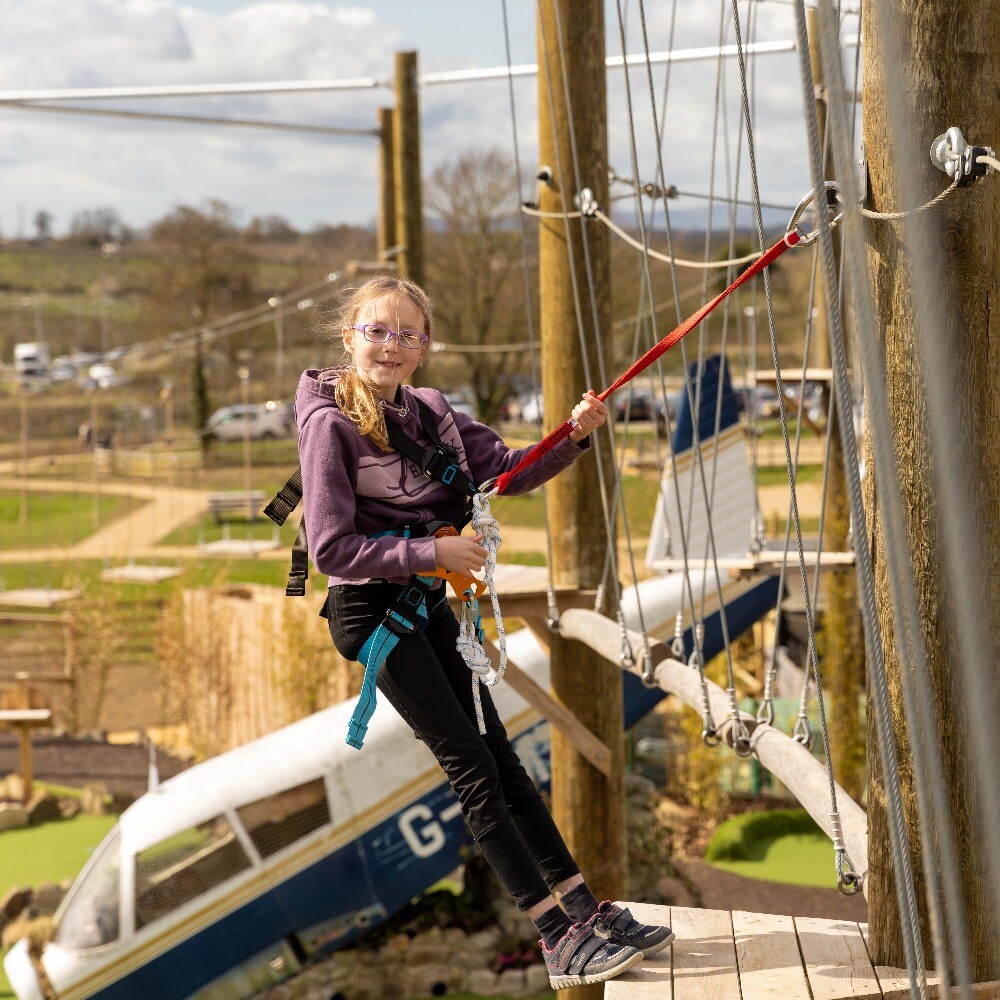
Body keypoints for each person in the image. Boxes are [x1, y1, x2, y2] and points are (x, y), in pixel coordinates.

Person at [296, 275, 674, 990]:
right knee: (472, 765)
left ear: (425, 348)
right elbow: (330, 550)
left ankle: (584, 910)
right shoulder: (330, 425)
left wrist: (573, 434)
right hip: (373, 613)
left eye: (407, 335)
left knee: (502, 759)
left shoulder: (434, 413)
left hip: (419, 602)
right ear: (350, 338)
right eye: (377, 331)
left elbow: (508, 472)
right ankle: (556, 935)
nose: (391, 346)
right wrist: (431, 553)